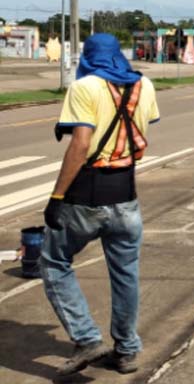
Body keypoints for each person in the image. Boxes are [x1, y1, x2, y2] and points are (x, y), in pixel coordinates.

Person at [40, 34, 160, 376]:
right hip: (126, 197)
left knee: (53, 261)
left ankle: (87, 338)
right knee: (126, 275)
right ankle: (125, 350)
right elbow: (140, 138)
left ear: (89, 56)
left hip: (86, 196)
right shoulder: (144, 85)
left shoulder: (85, 87)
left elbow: (80, 144)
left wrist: (57, 197)